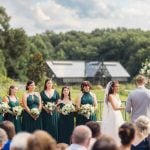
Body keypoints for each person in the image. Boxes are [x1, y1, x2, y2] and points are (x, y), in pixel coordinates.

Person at [101, 81, 124, 145]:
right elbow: (114, 108)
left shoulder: (117, 95)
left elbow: (119, 106)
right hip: (113, 115)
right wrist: (126, 108)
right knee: (114, 129)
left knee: (119, 129)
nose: (118, 87)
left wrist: (122, 107)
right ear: (112, 88)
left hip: (119, 115)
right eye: (116, 86)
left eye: (118, 86)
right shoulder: (110, 96)